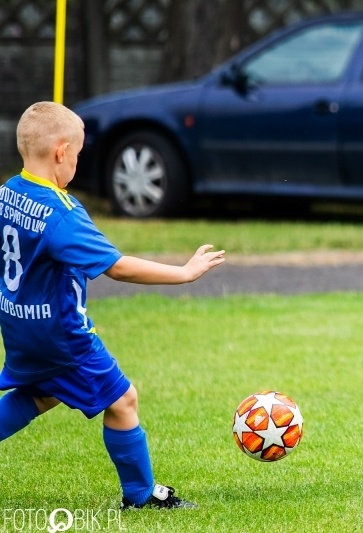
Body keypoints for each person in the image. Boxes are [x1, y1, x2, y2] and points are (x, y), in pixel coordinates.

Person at [0, 102, 225, 509]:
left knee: (42, 393)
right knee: (123, 401)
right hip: (61, 335)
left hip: (19, 326)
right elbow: (118, 268)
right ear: (60, 153)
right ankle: (140, 496)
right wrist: (185, 272)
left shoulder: (7, 193)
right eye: (79, 154)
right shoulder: (61, 214)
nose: (78, 163)